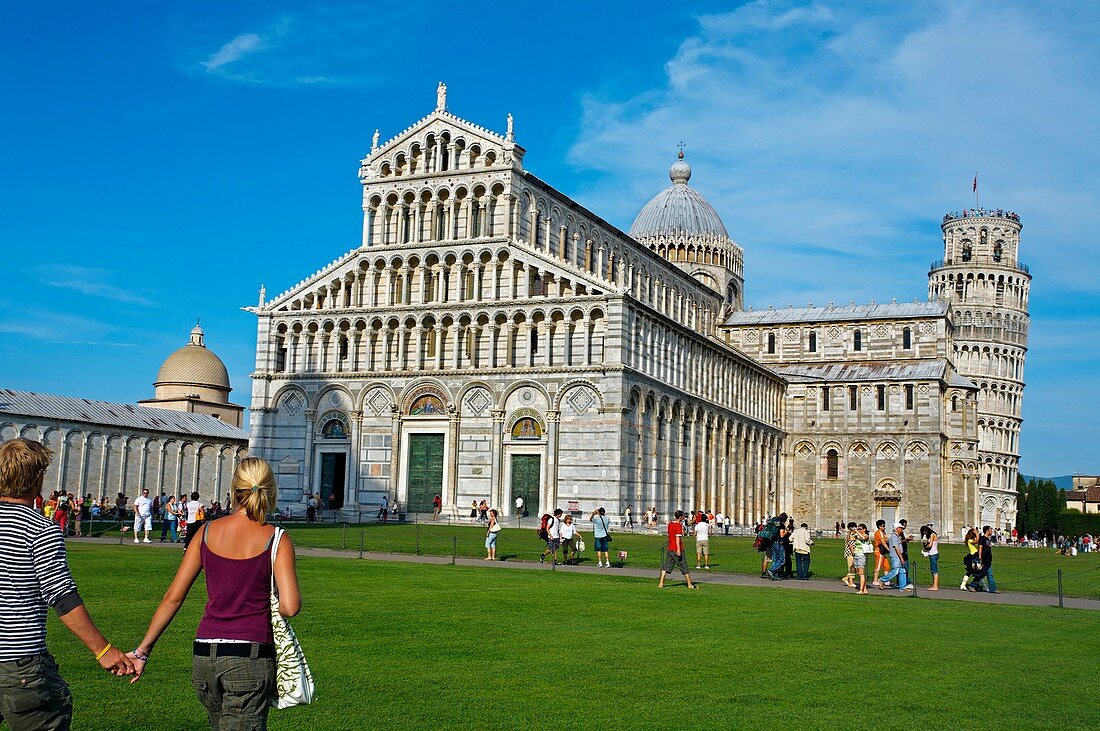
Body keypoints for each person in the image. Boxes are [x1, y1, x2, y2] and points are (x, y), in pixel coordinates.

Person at [127, 457, 301, 731]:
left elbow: (173, 597)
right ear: (270, 491)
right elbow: (290, 607)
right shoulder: (277, 538)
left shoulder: (206, 531)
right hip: (249, 657)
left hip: (205, 656)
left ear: (234, 491)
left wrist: (142, 651)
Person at [0, 438, 135, 730]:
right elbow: (62, 597)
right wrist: (103, 650)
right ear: (38, 478)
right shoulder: (40, 529)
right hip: (19, 661)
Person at [658, 510, 697, 589]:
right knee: (684, 566)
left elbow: (669, 536)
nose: (684, 517)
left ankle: (661, 583)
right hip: (677, 549)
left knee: (666, 566)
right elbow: (677, 538)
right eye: (683, 516)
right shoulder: (678, 525)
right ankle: (689, 584)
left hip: (670, 548)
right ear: (680, 517)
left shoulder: (670, 524)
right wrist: (678, 549)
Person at [879, 522, 913, 592]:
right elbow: (896, 548)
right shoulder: (894, 536)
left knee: (902, 571)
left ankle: (902, 586)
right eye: (901, 528)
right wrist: (901, 558)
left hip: (898, 556)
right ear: (897, 528)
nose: (902, 530)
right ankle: (882, 579)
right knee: (896, 570)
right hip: (896, 556)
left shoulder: (896, 536)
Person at [920, 524, 940, 591]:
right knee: (933, 570)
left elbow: (930, 545)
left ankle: (935, 586)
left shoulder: (932, 535)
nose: (924, 533)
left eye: (925, 532)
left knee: (934, 570)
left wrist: (925, 547)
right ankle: (934, 585)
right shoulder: (932, 534)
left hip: (933, 554)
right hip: (933, 553)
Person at [852, 524, 871, 594]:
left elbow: (864, 538)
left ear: (864, 529)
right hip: (856, 554)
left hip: (861, 555)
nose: (859, 530)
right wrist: (852, 533)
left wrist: (857, 532)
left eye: (860, 529)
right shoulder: (857, 536)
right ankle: (865, 589)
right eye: (858, 529)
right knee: (858, 572)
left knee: (861, 573)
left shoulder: (866, 536)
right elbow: (850, 540)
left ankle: (861, 590)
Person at [872, 519, 890, 587]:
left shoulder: (882, 532)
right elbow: (883, 542)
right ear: (879, 526)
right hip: (879, 551)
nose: (884, 527)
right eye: (883, 526)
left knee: (886, 565)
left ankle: (886, 580)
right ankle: (875, 580)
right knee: (878, 566)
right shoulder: (879, 533)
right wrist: (888, 549)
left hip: (882, 552)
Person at [842, 522, 858, 588]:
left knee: (854, 568)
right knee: (851, 568)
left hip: (853, 552)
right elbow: (850, 543)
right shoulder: (850, 535)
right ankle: (851, 582)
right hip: (850, 553)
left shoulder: (854, 534)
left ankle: (846, 578)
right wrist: (853, 553)